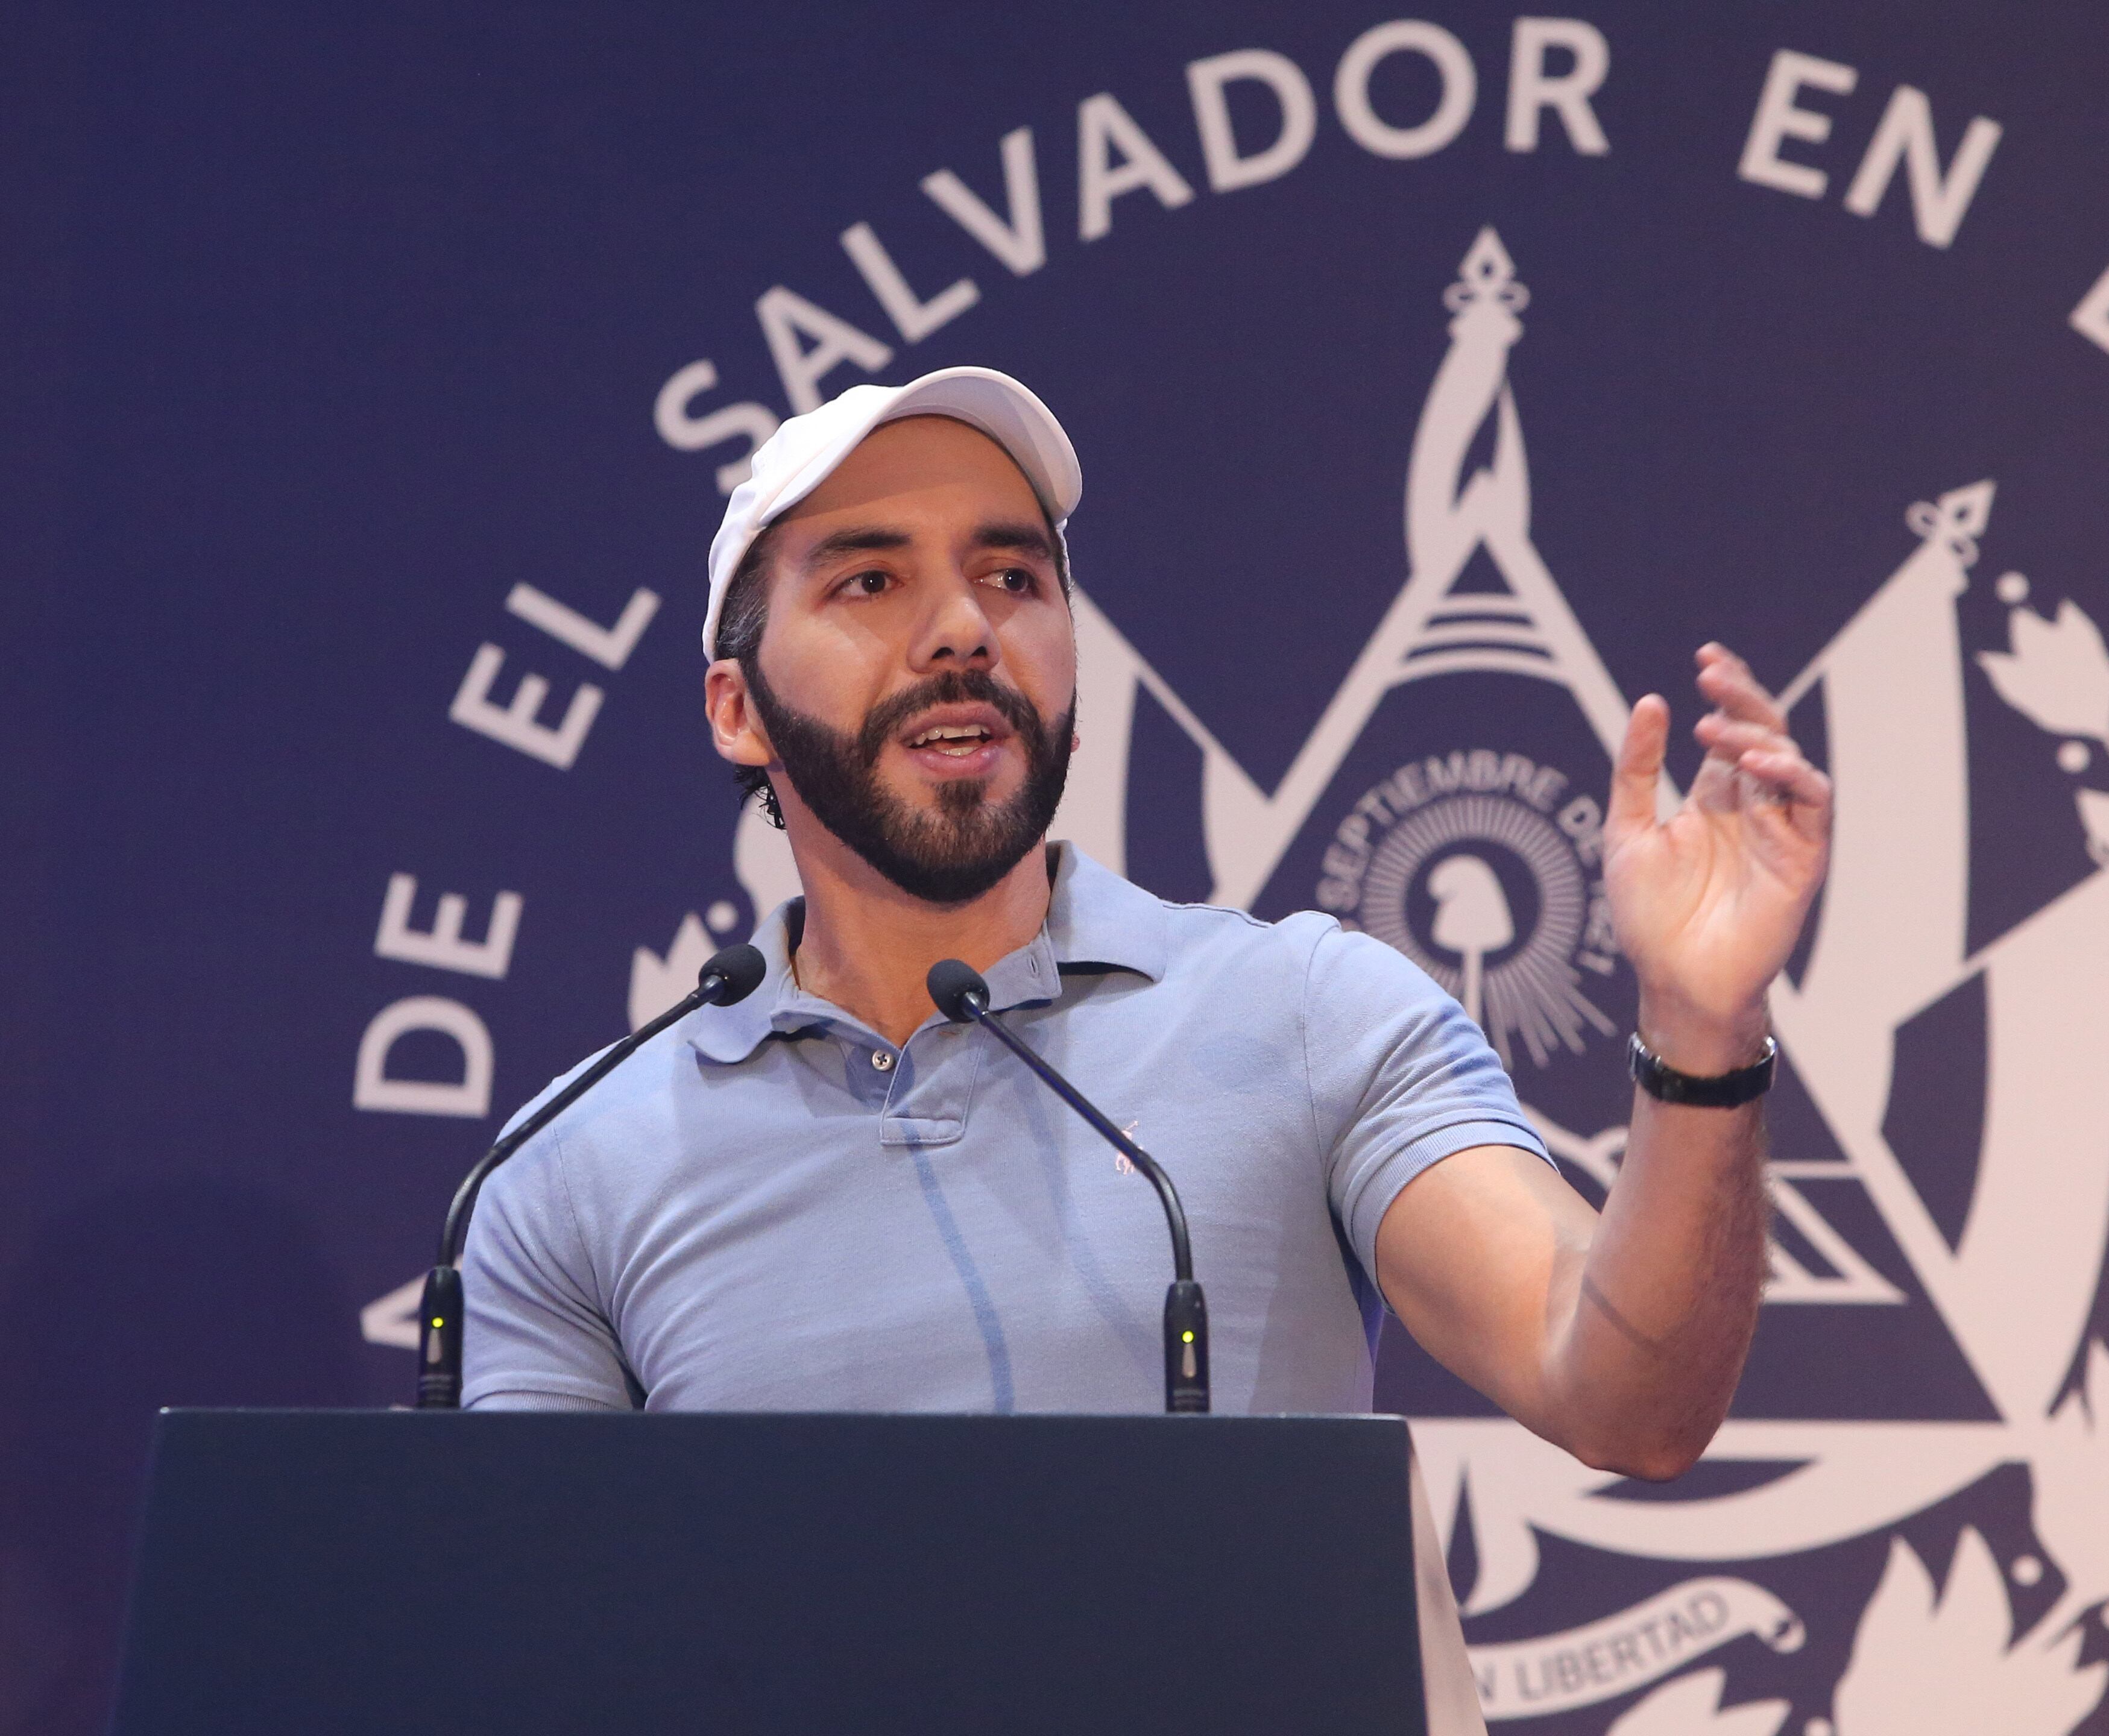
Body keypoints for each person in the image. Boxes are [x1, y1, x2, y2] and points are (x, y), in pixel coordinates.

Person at [462, 367, 1832, 1480]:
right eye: (869, 583)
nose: (962, 630)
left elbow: (1624, 1399)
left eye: (1013, 578)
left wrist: (1701, 1027)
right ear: (737, 709)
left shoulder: (1305, 1014)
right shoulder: (570, 1163)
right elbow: (528, 1629)